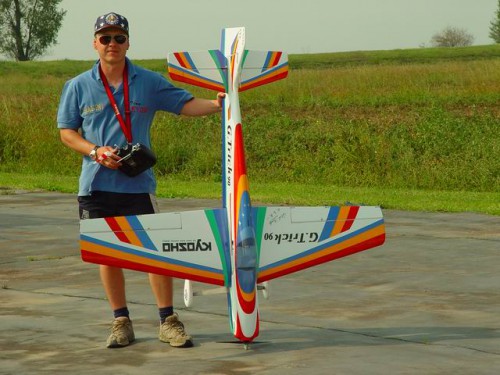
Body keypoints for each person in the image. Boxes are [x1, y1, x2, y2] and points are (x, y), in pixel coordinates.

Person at [57, 12, 224, 349]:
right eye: (105, 38)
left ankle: (168, 320)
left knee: (155, 252)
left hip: (137, 185)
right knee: (108, 255)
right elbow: (66, 133)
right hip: (95, 186)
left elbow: (186, 104)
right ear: (95, 43)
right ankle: (121, 321)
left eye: (119, 38)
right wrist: (95, 151)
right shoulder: (77, 86)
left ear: (128, 42)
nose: (112, 44)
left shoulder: (147, 81)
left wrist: (219, 104)